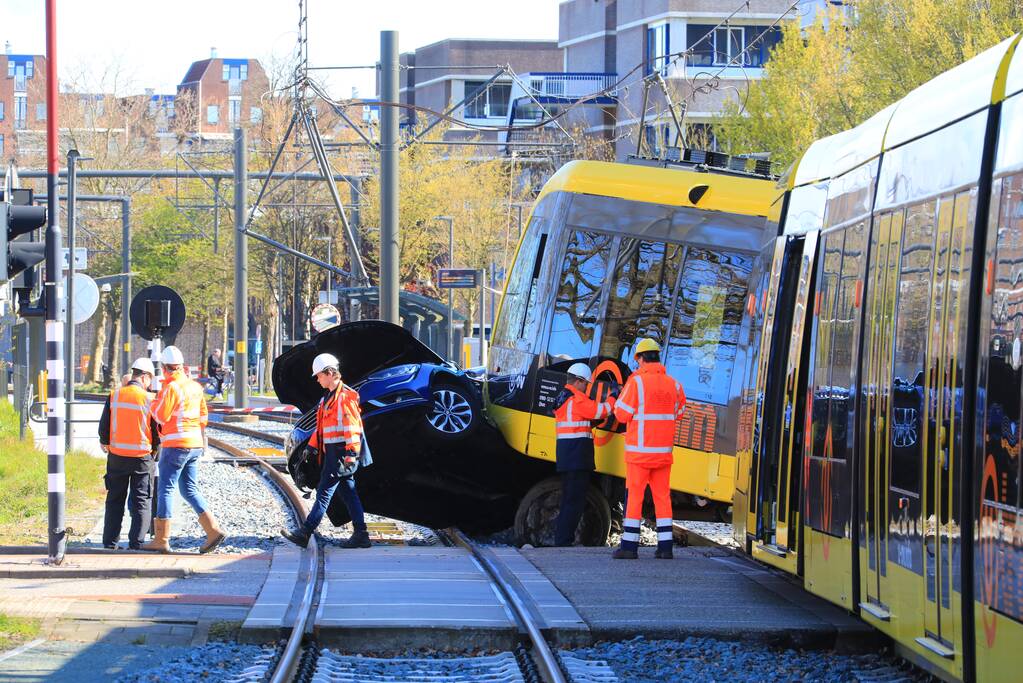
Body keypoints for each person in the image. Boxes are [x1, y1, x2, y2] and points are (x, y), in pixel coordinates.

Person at [281, 353, 372, 549]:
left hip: (341, 454)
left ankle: (305, 532)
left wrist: (350, 454)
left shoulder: (344, 397)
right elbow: (321, 428)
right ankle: (361, 533)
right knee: (348, 492)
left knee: (324, 493)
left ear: (330, 373)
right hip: (333, 453)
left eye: (319, 375)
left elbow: (352, 428)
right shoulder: (328, 399)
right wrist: (311, 448)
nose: (317, 379)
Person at [144, 345, 225, 554]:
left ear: (164, 368)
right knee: (189, 489)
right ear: (181, 366)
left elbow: (160, 416)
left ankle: (161, 538)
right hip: (194, 444)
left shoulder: (171, 388)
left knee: (166, 489)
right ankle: (213, 530)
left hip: (176, 445)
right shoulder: (195, 387)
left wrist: (152, 403)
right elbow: (204, 416)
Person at [611, 338, 686, 560]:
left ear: (641, 359)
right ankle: (665, 548)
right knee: (662, 498)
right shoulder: (674, 384)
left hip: (639, 454)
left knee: (634, 497)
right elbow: (678, 412)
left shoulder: (636, 383)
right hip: (663, 454)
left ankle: (629, 547)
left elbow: (621, 414)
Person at [97, 358, 160, 550]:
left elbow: (104, 423)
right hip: (142, 457)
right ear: (145, 377)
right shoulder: (150, 399)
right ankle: (136, 543)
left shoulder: (115, 395)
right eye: (150, 380)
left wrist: (104, 441)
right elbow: (156, 429)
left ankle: (110, 542)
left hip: (117, 456)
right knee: (141, 500)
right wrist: (156, 449)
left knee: (115, 499)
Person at [551, 362, 615, 546]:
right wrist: (613, 396)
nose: (587, 388)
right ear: (578, 381)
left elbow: (579, 421)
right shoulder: (576, 399)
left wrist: (591, 423)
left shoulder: (562, 397)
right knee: (574, 502)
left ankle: (562, 540)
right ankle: (563, 542)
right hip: (577, 455)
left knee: (568, 500)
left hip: (567, 455)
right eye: (586, 384)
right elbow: (601, 410)